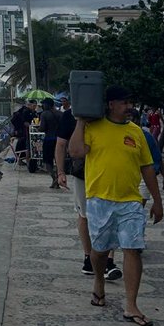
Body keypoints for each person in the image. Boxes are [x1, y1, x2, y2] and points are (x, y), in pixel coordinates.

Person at [68, 85, 163, 326]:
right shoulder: (93, 128)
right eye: (123, 102)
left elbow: (147, 168)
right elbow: (76, 151)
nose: (129, 107)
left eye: (130, 102)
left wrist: (157, 201)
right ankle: (99, 281)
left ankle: (131, 305)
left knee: (133, 249)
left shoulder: (137, 132)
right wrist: (80, 121)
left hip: (130, 201)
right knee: (99, 251)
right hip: (99, 200)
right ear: (110, 104)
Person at [55, 97, 122, 283]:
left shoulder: (105, 114)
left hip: (106, 172)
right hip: (81, 172)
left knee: (109, 214)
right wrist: (60, 172)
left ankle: (109, 261)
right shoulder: (70, 116)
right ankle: (88, 257)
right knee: (84, 215)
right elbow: (61, 145)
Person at [38, 98, 61, 187]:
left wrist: (38, 128)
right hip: (59, 140)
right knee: (58, 160)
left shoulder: (44, 114)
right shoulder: (60, 114)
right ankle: (58, 178)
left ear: (47, 105)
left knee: (48, 161)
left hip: (49, 139)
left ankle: (54, 178)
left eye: (44, 104)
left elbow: (42, 128)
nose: (43, 106)